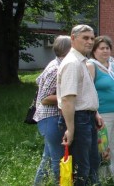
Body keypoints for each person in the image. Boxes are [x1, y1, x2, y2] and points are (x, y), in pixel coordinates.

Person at [57, 24, 103, 185]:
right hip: (78, 119)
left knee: (93, 163)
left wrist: (95, 113)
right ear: (73, 38)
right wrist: (70, 129)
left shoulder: (82, 61)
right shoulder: (72, 63)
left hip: (87, 118)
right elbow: (68, 100)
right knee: (81, 167)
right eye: (85, 38)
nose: (90, 41)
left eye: (92, 38)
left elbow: (85, 93)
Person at [33, 35, 71, 185]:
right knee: (58, 159)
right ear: (69, 49)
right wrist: (69, 96)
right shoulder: (57, 68)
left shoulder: (57, 64)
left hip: (52, 118)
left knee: (48, 156)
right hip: (51, 118)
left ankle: (38, 183)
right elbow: (44, 98)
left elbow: (38, 80)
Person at [87, 36, 114, 182]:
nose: (105, 51)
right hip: (101, 113)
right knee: (102, 146)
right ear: (94, 50)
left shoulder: (113, 65)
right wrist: (95, 112)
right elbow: (88, 91)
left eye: (107, 48)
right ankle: (100, 178)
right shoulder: (91, 66)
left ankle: (112, 176)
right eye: (101, 48)